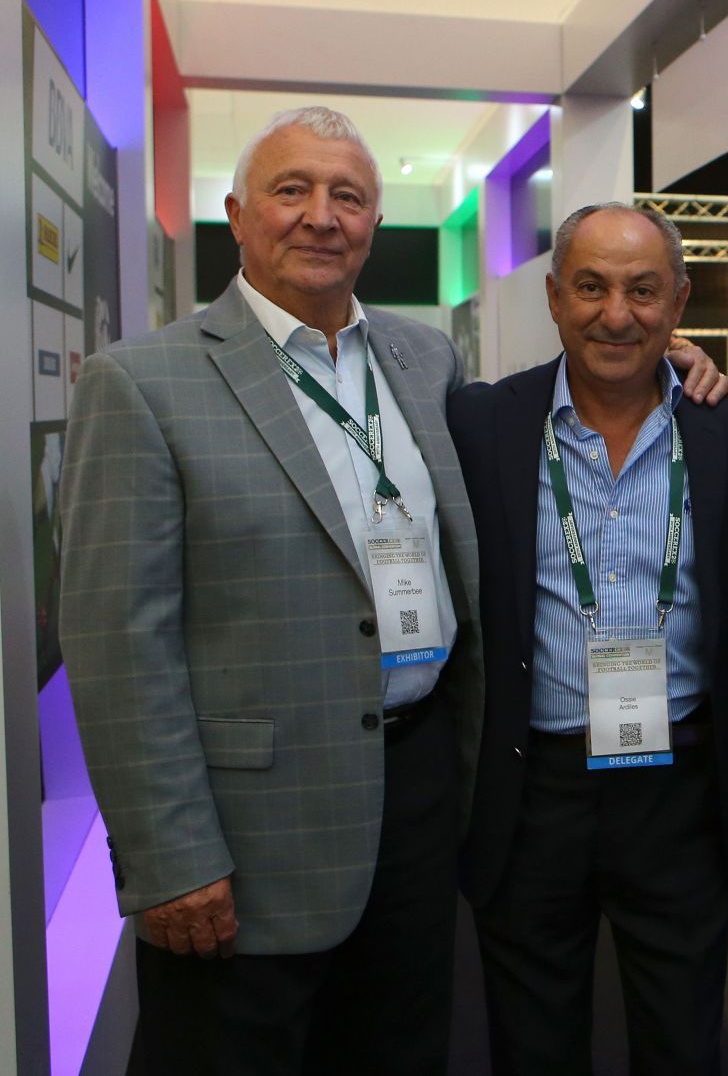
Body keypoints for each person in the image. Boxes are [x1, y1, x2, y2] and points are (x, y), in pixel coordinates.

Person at [57, 105, 480, 1074]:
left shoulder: (425, 361)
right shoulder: (142, 382)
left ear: (376, 225)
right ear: (237, 214)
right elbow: (121, 644)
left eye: (350, 196)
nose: (322, 216)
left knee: (400, 1048)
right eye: (293, 190)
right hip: (245, 830)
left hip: (415, 794)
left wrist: (677, 366)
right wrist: (171, 856)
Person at [450, 203, 728, 1074]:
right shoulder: (483, 426)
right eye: (590, 286)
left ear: (679, 301)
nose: (616, 313)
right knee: (533, 1042)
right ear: (553, 296)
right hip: (532, 784)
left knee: (681, 1039)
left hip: (681, 791)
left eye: (642, 289)